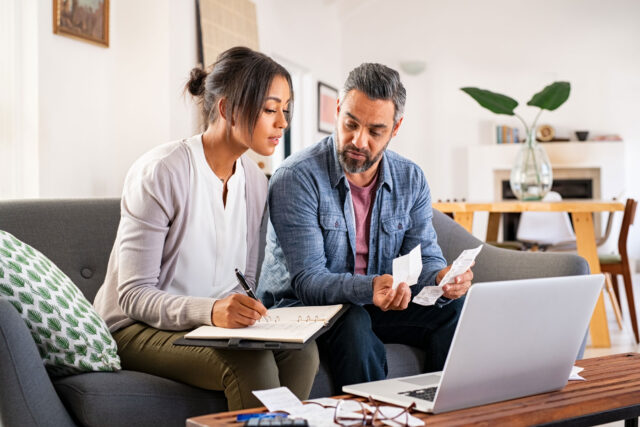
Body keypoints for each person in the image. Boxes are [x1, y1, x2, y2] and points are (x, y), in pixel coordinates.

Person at [93, 46, 318, 410]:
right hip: (135, 329)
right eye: (270, 109)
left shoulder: (257, 183)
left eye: (285, 110)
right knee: (252, 362)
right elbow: (132, 296)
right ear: (228, 109)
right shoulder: (162, 172)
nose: (282, 122)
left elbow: (243, 278)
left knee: (302, 353)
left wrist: (248, 314)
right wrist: (212, 311)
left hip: (209, 328)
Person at [258, 63, 473, 393]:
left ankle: (440, 413)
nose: (358, 140)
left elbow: (426, 257)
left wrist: (441, 278)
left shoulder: (410, 178)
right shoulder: (297, 177)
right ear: (338, 111)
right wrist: (371, 287)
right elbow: (308, 281)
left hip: (374, 302)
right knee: (354, 321)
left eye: (375, 131)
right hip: (304, 309)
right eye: (351, 124)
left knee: (454, 309)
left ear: (395, 128)